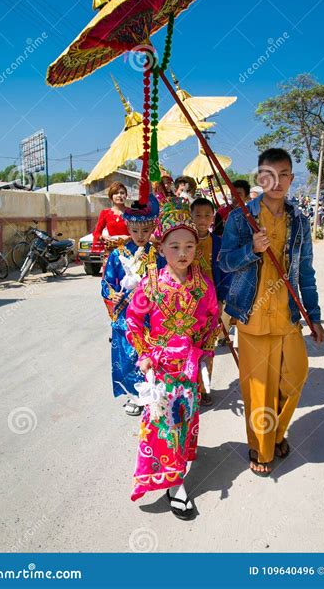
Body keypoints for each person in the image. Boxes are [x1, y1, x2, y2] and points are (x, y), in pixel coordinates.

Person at [219, 148, 324, 476]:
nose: (277, 181)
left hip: (287, 315)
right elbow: (224, 262)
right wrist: (251, 250)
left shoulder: (301, 221)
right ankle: (261, 449)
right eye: (270, 175)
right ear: (260, 179)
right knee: (258, 387)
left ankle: (278, 432)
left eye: (284, 175)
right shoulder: (240, 218)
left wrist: (315, 315)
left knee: (295, 377)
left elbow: (305, 271)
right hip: (252, 318)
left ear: (291, 179)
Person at [126, 197, 219, 518]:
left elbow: (211, 319)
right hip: (161, 370)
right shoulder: (150, 285)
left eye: (190, 246)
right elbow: (133, 321)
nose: (183, 253)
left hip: (189, 369)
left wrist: (206, 352)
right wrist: (144, 354)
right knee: (163, 425)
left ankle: (177, 469)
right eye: (175, 246)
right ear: (161, 247)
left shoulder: (203, 285)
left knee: (183, 421)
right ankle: (174, 482)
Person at [101, 195, 164, 415]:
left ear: (152, 228)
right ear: (128, 226)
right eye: (135, 231)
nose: (140, 236)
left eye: (145, 231)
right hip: (125, 316)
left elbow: (166, 281)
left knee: (150, 355)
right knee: (129, 357)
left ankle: (154, 393)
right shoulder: (117, 255)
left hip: (151, 316)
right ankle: (136, 396)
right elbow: (107, 281)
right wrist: (112, 294)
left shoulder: (159, 256)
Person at [190, 197, 230, 405]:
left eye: (207, 215)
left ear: (213, 217)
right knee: (189, 346)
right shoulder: (185, 241)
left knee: (208, 345)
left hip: (211, 303)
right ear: (190, 216)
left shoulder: (219, 244)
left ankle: (205, 388)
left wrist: (222, 298)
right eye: (198, 215)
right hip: (187, 304)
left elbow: (225, 273)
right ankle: (190, 386)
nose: (202, 220)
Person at [92, 182, 130, 270]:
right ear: (111, 196)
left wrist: (128, 237)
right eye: (116, 193)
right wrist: (103, 237)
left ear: (126, 196)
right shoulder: (105, 213)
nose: (119, 195)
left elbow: (139, 232)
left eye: (122, 193)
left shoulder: (132, 213)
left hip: (129, 251)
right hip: (111, 252)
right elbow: (96, 232)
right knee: (110, 280)